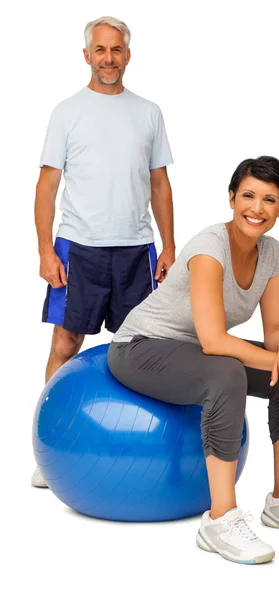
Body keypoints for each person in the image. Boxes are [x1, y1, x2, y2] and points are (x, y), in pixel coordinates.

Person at [108, 156, 279, 565]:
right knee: (227, 370)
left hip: (192, 349)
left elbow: (278, 329)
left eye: (270, 200)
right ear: (231, 198)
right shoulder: (209, 246)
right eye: (248, 195)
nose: (257, 208)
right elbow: (213, 341)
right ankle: (219, 519)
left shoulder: (273, 255)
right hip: (140, 346)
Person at [32, 16, 175, 488]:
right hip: (79, 246)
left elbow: (159, 183)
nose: (108, 58)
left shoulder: (149, 112)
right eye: (100, 50)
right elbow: (47, 185)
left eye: (116, 50)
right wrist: (44, 250)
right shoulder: (66, 112)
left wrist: (169, 244)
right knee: (65, 344)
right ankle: (47, 450)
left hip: (136, 248)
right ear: (87, 55)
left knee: (141, 348)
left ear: (127, 55)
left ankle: (139, 446)